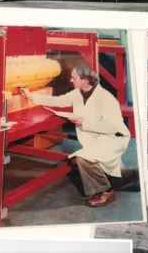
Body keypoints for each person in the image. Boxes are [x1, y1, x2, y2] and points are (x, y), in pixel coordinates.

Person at [20, 65, 131, 207]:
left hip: (114, 137)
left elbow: (113, 127)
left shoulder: (106, 98)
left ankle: (106, 191)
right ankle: (112, 179)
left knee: (83, 158)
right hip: (97, 137)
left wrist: (84, 122)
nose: (71, 80)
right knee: (99, 162)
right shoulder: (78, 93)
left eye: (74, 78)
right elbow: (58, 101)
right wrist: (31, 96)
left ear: (85, 80)